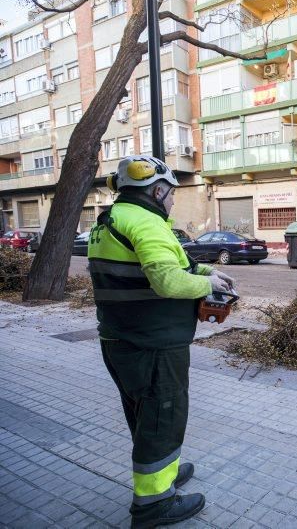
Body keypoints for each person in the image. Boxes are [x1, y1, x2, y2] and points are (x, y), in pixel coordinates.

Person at [88, 156, 235, 528]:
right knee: (162, 418)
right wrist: (209, 285)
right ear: (156, 190)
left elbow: (165, 263)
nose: (172, 201)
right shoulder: (147, 222)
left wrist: (205, 269)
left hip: (121, 338)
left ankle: (163, 473)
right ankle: (153, 504)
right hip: (151, 343)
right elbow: (168, 282)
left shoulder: (111, 220)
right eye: (171, 194)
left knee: (144, 414)